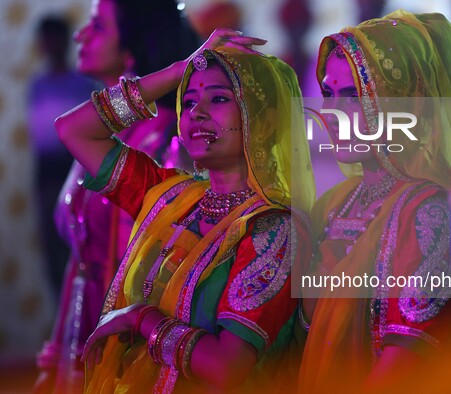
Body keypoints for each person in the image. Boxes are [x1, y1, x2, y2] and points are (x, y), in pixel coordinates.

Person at [56, 28, 315, 393]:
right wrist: (178, 69)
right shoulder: (167, 196)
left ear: (266, 120)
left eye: (219, 98)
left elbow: (226, 369)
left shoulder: (273, 230)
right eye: (189, 101)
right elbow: (73, 130)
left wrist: (140, 319)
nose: (197, 113)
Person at [298, 10, 451, 391]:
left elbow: (404, 366)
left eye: (354, 97)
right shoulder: (333, 204)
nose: (331, 114)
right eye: (328, 93)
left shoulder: (431, 210)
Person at [34, 1, 195, 392]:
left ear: (133, 43)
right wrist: (57, 353)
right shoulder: (106, 135)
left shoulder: (167, 142)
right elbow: (81, 256)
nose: (80, 35)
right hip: (84, 325)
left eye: (97, 27)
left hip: (132, 342)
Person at [27, 15, 96, 295]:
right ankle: (62, 325)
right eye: (46, 39)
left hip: (76, 170)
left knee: (81, 247)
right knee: (52, 254)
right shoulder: (36, 87)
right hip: (45, 173)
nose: (50, 45)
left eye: (55, 38)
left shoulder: (83, 84)